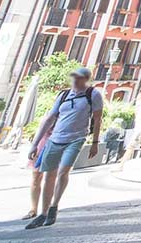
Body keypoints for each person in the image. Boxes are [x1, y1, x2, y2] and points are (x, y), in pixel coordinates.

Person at [24, 67, 104, 229]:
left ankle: (54, 206)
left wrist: (95, 143)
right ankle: (44, 213)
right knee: (49, 176)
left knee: (63, 171)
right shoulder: (64, 95)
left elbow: (97, 120)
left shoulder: (93, 95)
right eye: (74, 77)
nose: (75, 81)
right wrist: (35, 144)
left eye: (79, 78)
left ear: (85, 80)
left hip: (76, 138)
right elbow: (49, 119)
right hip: (55, 138)